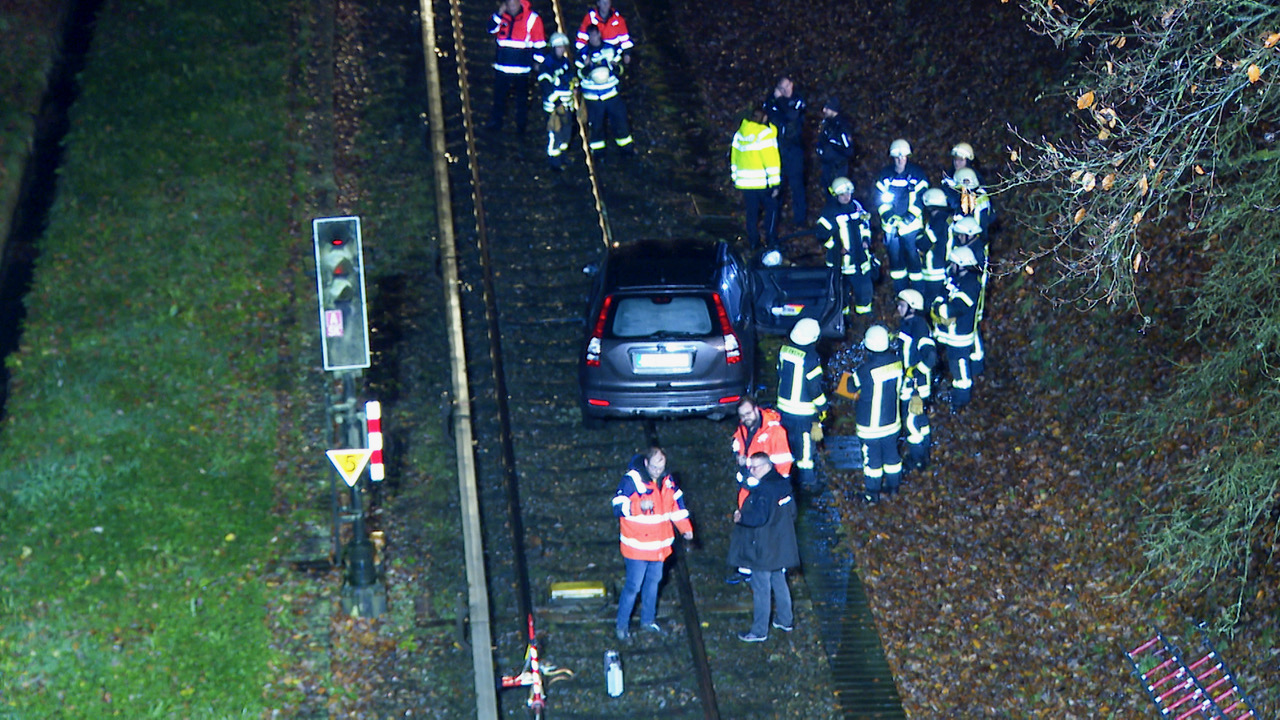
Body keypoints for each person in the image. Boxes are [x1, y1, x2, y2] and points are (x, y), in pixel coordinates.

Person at [612, 446, 694, 640]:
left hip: (659, 547)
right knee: (633, 587)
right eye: (655, 467)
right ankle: (622, 625)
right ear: (647, 463)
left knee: (653, 584)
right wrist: (637, 506)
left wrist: (686, 528)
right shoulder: (631, 481)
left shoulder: (668, 481)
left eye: (662, 466)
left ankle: (648, 620)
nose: (659, 471)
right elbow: (617, 506)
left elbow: (676, 507)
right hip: (637, 548)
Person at [727, 453, 799, 642]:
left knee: (761, 588)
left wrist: (741, 517)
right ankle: (785, 620)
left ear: (767, 466)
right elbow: (793, 513)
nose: (752, 471)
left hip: (764, 547)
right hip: (780, 545)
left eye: (755, 467)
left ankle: (759, 631)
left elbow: (759, 518)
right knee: (779, 580)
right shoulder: (784, 484)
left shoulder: (764, 490)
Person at [845, 325, 903, 503]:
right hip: (892, 422)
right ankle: (894, 488)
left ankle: (872, 493)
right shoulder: (897, 363)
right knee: (892, 456)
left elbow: (850, 387)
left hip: (869, 427)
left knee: (872, 461)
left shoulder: (864, 370)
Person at [776, 317, 827, 491]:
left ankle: (786, 476)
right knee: (805, 447)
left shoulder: (784, 350)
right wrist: (823, 407)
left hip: (783, 408)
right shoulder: (812, 358)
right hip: (804, 412)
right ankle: (808, 481)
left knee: (786, 443)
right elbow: (814, 387)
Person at [874, 139, 930, 293]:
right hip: (891, 227)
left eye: (903, 157)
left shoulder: (917, 174)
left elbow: (921, 198)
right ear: (892, 157)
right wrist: (889, 216)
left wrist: (910, 217)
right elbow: (880, 198)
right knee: (896, 262)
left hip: (911, 227)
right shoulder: (885, 175)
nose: (900, 160)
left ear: (907, 157)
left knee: (914, 260)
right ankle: (901, 294)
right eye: (897, 157)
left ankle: (918, 293)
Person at [931, 245, 981, 412]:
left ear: (961, 265)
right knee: (950, 365)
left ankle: (961, 401)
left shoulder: (971, 285)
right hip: (949, 335)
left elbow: (952, 309)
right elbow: (940, 295)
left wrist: (939, 305)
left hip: (960, 338)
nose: (950, 267)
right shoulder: (956, 280)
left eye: (953, 264)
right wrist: (940, 301)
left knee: (960, 370)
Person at [486, 0, 547, 134]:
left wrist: (538, 63)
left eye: (514, 4)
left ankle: (521, 126)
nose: (512, 8)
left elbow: (539, 42)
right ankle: (496, 122)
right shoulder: (501, 17)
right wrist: (498, 14)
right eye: (509, 5)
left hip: (522, 69)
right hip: (502, 67)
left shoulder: (532, 19)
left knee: (522, 100)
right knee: (499, 98)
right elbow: (490, 29)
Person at [816, 177, 874, 317]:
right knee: (840, 293)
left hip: (860, 260)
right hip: (840, 263)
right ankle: (842, 319)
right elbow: (821, 235)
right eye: (842, 194)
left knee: (864, 290)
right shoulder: (829, 212)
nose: (846, 197)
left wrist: (866, 240)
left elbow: (865, 225)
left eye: (848, 193)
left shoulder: (857, 207)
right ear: (836, 195)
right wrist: (836, 248)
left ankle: (864, 317)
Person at [575, 24, 633, 159]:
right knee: (596, 126)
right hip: (593, 98)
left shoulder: (610, 49)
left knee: (620, 121)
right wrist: (587, 68)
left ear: (599, 34)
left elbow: (621, 70)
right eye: (591, 36)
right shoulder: (583, 54)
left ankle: (626, 150)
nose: (594, 38)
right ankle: (599, 154)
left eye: (595, 35)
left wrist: (614, 67)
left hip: (611, 94)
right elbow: (579, 74)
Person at [896, 289, 936, 472]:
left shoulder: (919, 326)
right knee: (920, 422)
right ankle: (924, 454)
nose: (899, 307)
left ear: (912, 307)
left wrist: (915, 380)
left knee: (911, 424)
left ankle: (918, 459)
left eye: (902, 304)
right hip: (912, 385)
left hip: (915, 387)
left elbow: (930, 357)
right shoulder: (909, 323)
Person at [730, 106, 781, 249]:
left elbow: (734, 158)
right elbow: (771, 161)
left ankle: (754, 242)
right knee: (771, 209)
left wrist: (735, 178)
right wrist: (775, 183)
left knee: (751, 213)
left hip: (745, 183)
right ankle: (771, 240)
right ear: (764, 118)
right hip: (762, 182)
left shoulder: (740, 133)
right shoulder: (764, 133)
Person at [764, 76, 807, 226]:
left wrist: (780, 100)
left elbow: (791, 115)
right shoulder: (772, 101)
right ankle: (774, 219)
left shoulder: (798, 100)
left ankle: (799, 220)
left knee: (797, 185)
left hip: (794, 148)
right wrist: (774, 100)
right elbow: (769, 112)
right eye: (782, 89)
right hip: (777, 149)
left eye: (788, 86)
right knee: (777, 185)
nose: (786, 90)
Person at [538, 32, 575, 171]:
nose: (562, 49)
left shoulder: (565, 62)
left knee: (566, 132)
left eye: (563, 47)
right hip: (554, 107)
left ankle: (563, 156)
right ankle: (554, 162)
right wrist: (557, 102)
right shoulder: (548, 64)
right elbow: (546, 86)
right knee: (555, 133)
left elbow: (569, 78)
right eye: (559, 47)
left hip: (566, 105)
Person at [919, 188, 953, 311]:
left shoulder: (937, 221)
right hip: (943, 265)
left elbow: (925, 242)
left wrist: (918, 239)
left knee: (931, 302)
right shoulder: (946, 218)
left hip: (934, 269)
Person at [815, 97, 854, 190]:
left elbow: (848, 149)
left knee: (838, 192)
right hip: (827, 166)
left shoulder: (841, 126)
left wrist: (833, 145)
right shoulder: (827, 123)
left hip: (837, 168)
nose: (824, 110)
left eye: (827, 108)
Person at [941, 142, 983, 212]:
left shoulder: (976, 177)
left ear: (968, 161)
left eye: (961, 160)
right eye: (955, 159)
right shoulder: (949, 176)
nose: (957, 163)